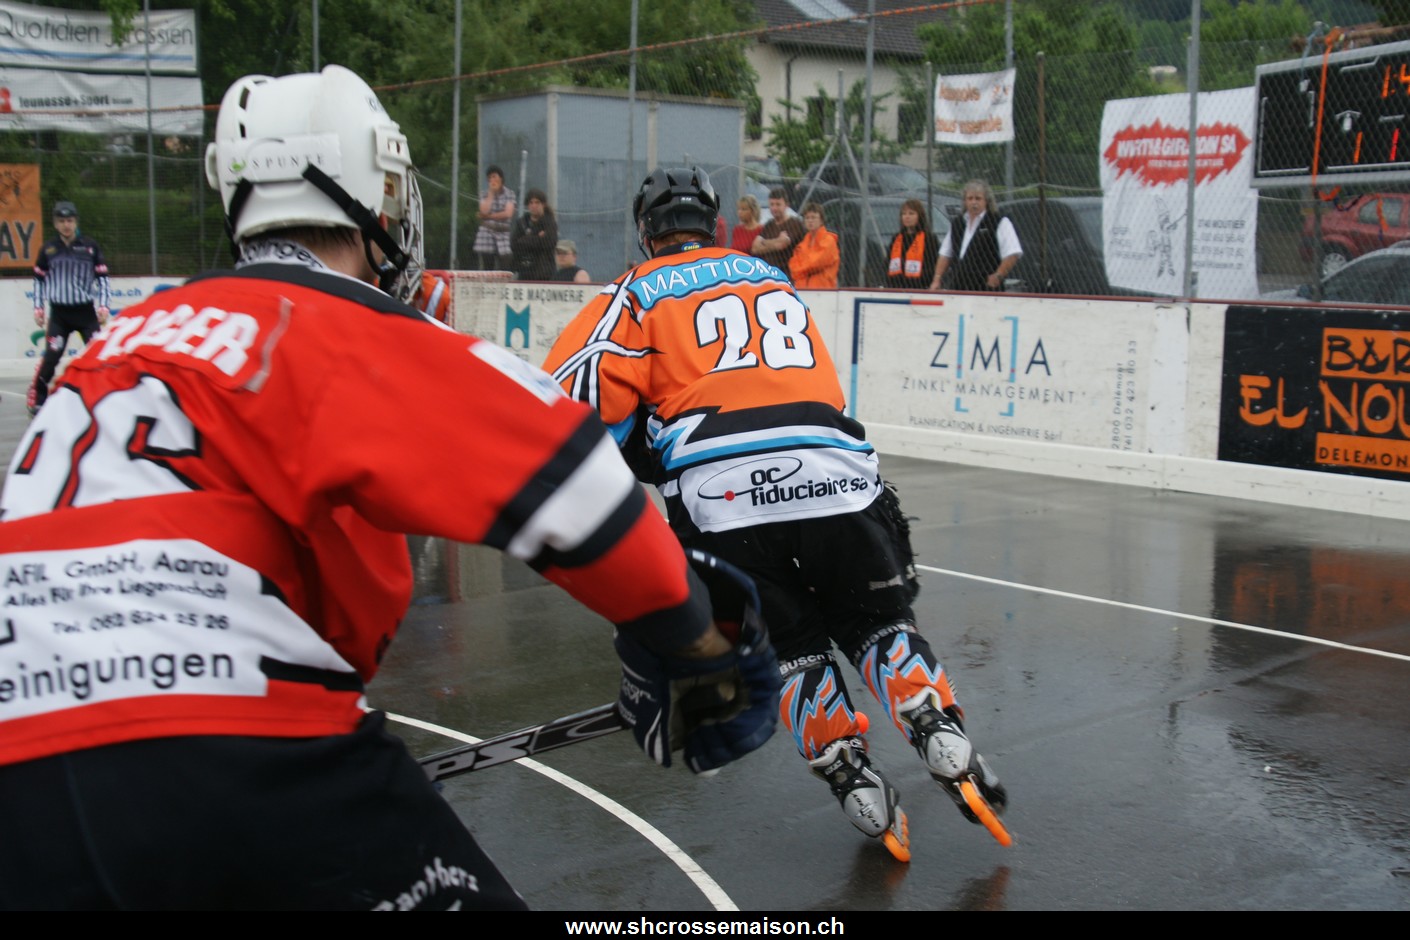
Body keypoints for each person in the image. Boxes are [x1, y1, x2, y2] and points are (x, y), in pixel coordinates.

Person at [0, 68, 779, 912]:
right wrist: (693, 639)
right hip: (222, 732)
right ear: (373, 194)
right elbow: (572, 474)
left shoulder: (117, 342)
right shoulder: (325, 318)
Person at [543, 166, 1008, 864]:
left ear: (647, 232)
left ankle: (849, 775)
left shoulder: (634, 291)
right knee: (874, 619)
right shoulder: (771, 277)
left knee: (788, 646)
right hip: (833, 469)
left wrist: (635, 464)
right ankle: (933, 720)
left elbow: (575, 397)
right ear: (713, 223)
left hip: (722, 494)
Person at [27, 200, 110, 417]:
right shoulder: (48, 250)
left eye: (70, 221)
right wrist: (38, 308)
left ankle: (104, 396)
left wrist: (103, 306)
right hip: (60, 316)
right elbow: (39, 280)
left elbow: (103, 279)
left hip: (86, 314)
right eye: (62, 221)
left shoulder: (90, 247)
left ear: (76, 222)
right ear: (55, 223)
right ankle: (38, 398)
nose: (66, 225)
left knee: (98, 356)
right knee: (52, 357)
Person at [930, 179, 1022, 292]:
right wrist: (937, 279)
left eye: (978, 198)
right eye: (970, 198)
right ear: (965, 201)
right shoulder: (958, 223)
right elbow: (945, 254)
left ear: (986, 201)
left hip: (986, 288)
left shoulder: (999, 222)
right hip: (958, 286)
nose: (974, 202)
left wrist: (998, 275)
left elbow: (1013, 253)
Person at [885, 198, 938, 291]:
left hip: (920, 287)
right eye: (904, 214)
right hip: (896, 286)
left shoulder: (929, 239)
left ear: (919, 216)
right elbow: (887, 263)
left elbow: (932, 264)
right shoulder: (896, 238)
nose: (907, 217)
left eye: (911, 213)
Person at [750, 186, 805, 272]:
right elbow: (754, 248)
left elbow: (782, 244)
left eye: (778, 204)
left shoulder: (795, 224)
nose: (774, 208)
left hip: (786, 272)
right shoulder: (769, 225)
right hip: (767, 271)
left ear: (786, 205)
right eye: (772, 204)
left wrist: (763, 242)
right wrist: (775, 242)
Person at [473, 165, 516, 271]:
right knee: (488, 265)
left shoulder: (509, 194)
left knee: (505, 262)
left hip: (503, 232)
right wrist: (491, 193)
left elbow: (508, 213)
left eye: (494, 176)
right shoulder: (484, 194)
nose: (492, 180)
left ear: (501, 178)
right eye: (490, 178)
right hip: (487, 232)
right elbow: (484, 210)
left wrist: (488, 216)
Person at [789, 200, 840, 289]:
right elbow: (793, 269)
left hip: (823, 291)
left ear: (821, 220)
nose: (810, 221)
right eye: (807, 218)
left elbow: (816, 263)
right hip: (802, 290)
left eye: (813, 217)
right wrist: (806, 267)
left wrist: (802, 268)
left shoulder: (829, 241)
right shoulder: (802, 245)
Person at [510, 187, 558, 281]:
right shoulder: (522, 223)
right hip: (524, 271)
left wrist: (526, 239)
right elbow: (514, 244)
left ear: (543, 204)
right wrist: (537, 237)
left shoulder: (549, 223)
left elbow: (549, 243)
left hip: (544, 273)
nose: (534, 205)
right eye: (531, 203)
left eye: (537, 202)